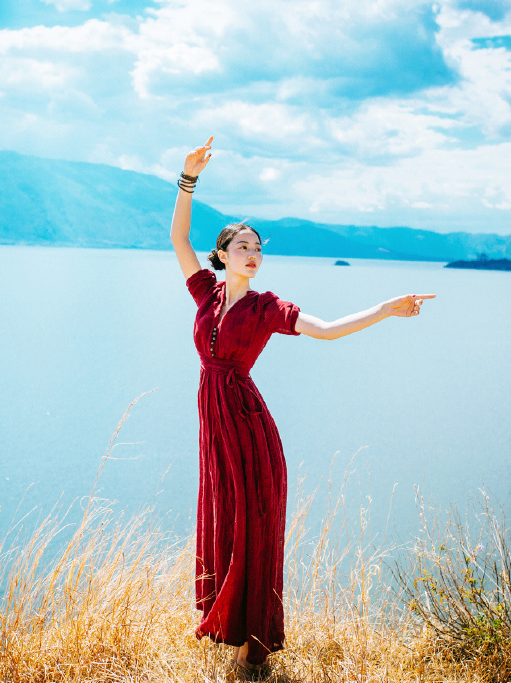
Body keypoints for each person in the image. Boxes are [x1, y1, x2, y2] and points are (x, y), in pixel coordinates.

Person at [170, 136, 434, 676]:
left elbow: (329, 331)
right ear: (222, 255)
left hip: (247, 426)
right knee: (224, 525)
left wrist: (385, 308)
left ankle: (254, 648)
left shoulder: (269, 308)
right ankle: (232, 631)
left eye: (259, 248)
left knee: (253, 528)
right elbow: (177, 237)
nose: (254, 253)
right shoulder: (206, 294)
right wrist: (187, 179)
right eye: (243, 246)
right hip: (214, 426)